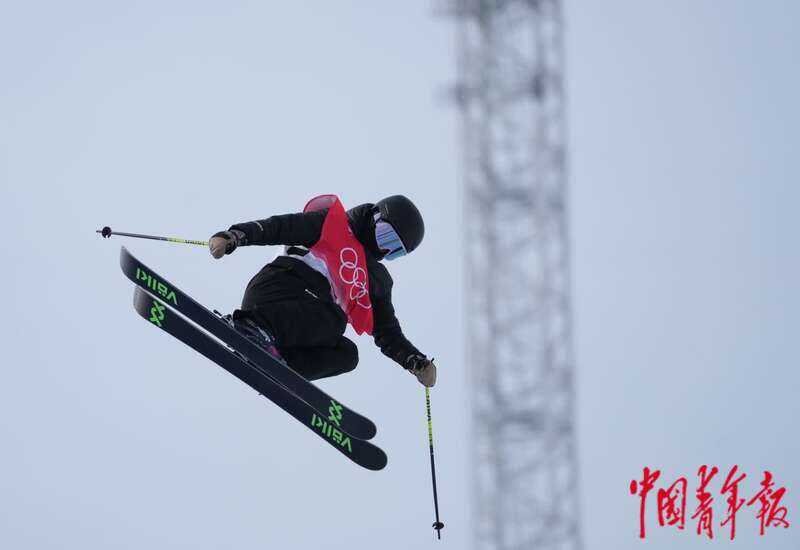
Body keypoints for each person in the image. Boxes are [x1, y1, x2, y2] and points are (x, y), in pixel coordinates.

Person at [207, 194, 436, 387]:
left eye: (394, 249)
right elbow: (279, 227)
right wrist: (236, 236)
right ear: (374, 217)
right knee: (335, 319)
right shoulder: (332, 225)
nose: (383, 248)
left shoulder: (376, 280)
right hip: (278, 288)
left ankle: (280, 368)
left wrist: (414, 361)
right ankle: (250, 327)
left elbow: (387, 332)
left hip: (303, 325)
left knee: (348, 355)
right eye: (385, 235)